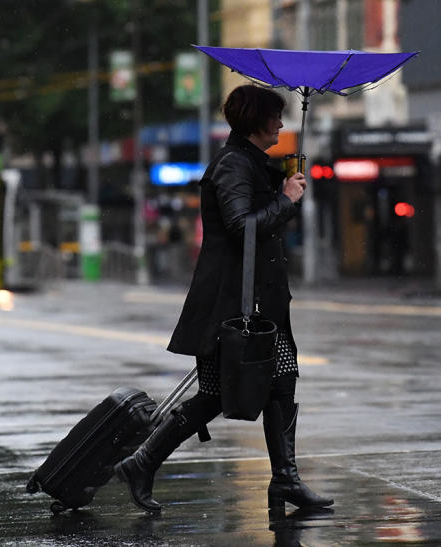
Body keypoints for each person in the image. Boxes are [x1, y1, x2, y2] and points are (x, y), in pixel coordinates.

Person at [114, 84, 334, 515]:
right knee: (220, 393)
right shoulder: (233, 166)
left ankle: (284, 480)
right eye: (275, 117)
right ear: (256, 121)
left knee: (276, 382)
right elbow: (242, 226)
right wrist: (286, 201)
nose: (282, 124)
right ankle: (143, 462)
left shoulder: (249, 163)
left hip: (252, 301)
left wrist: (283, 186)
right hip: (230, 304)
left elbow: (255, 216)